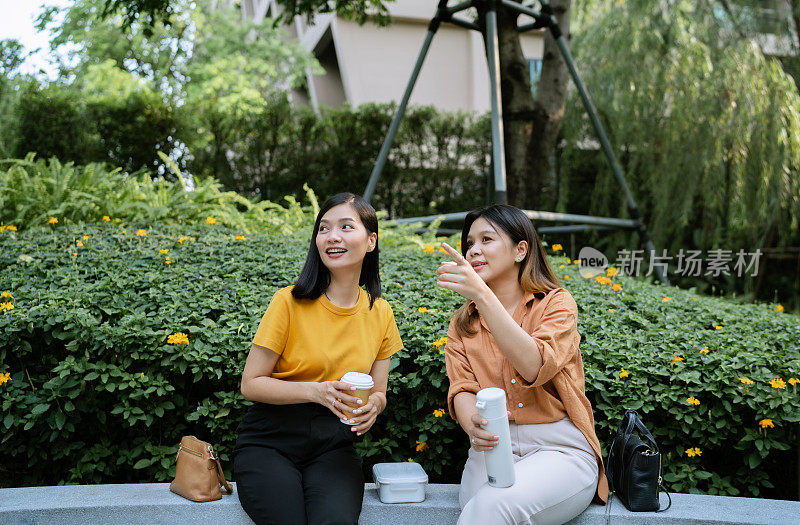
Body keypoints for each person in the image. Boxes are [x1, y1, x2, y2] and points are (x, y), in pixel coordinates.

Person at [233, 192, 403, 525]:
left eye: (345, 226)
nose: (332, 236)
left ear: (371, 241)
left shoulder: (380, 312)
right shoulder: (287, 302)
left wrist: (374, 408)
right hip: (269, 442)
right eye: (324, 228)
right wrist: (316, 391)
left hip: (334, 447)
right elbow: (250, 385)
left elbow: (379, 391)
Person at [436, 204, 608, 525]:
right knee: (478, 506)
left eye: (487, 239)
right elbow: (462, 388)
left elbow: (534, 366)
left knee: (490, 508)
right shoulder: (462, 323)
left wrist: (481, 296)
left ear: (520, 250)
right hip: (492, 449)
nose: (473, 250)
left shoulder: (556, 303)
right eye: (469, 243)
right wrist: (472, 421)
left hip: (558, 448)